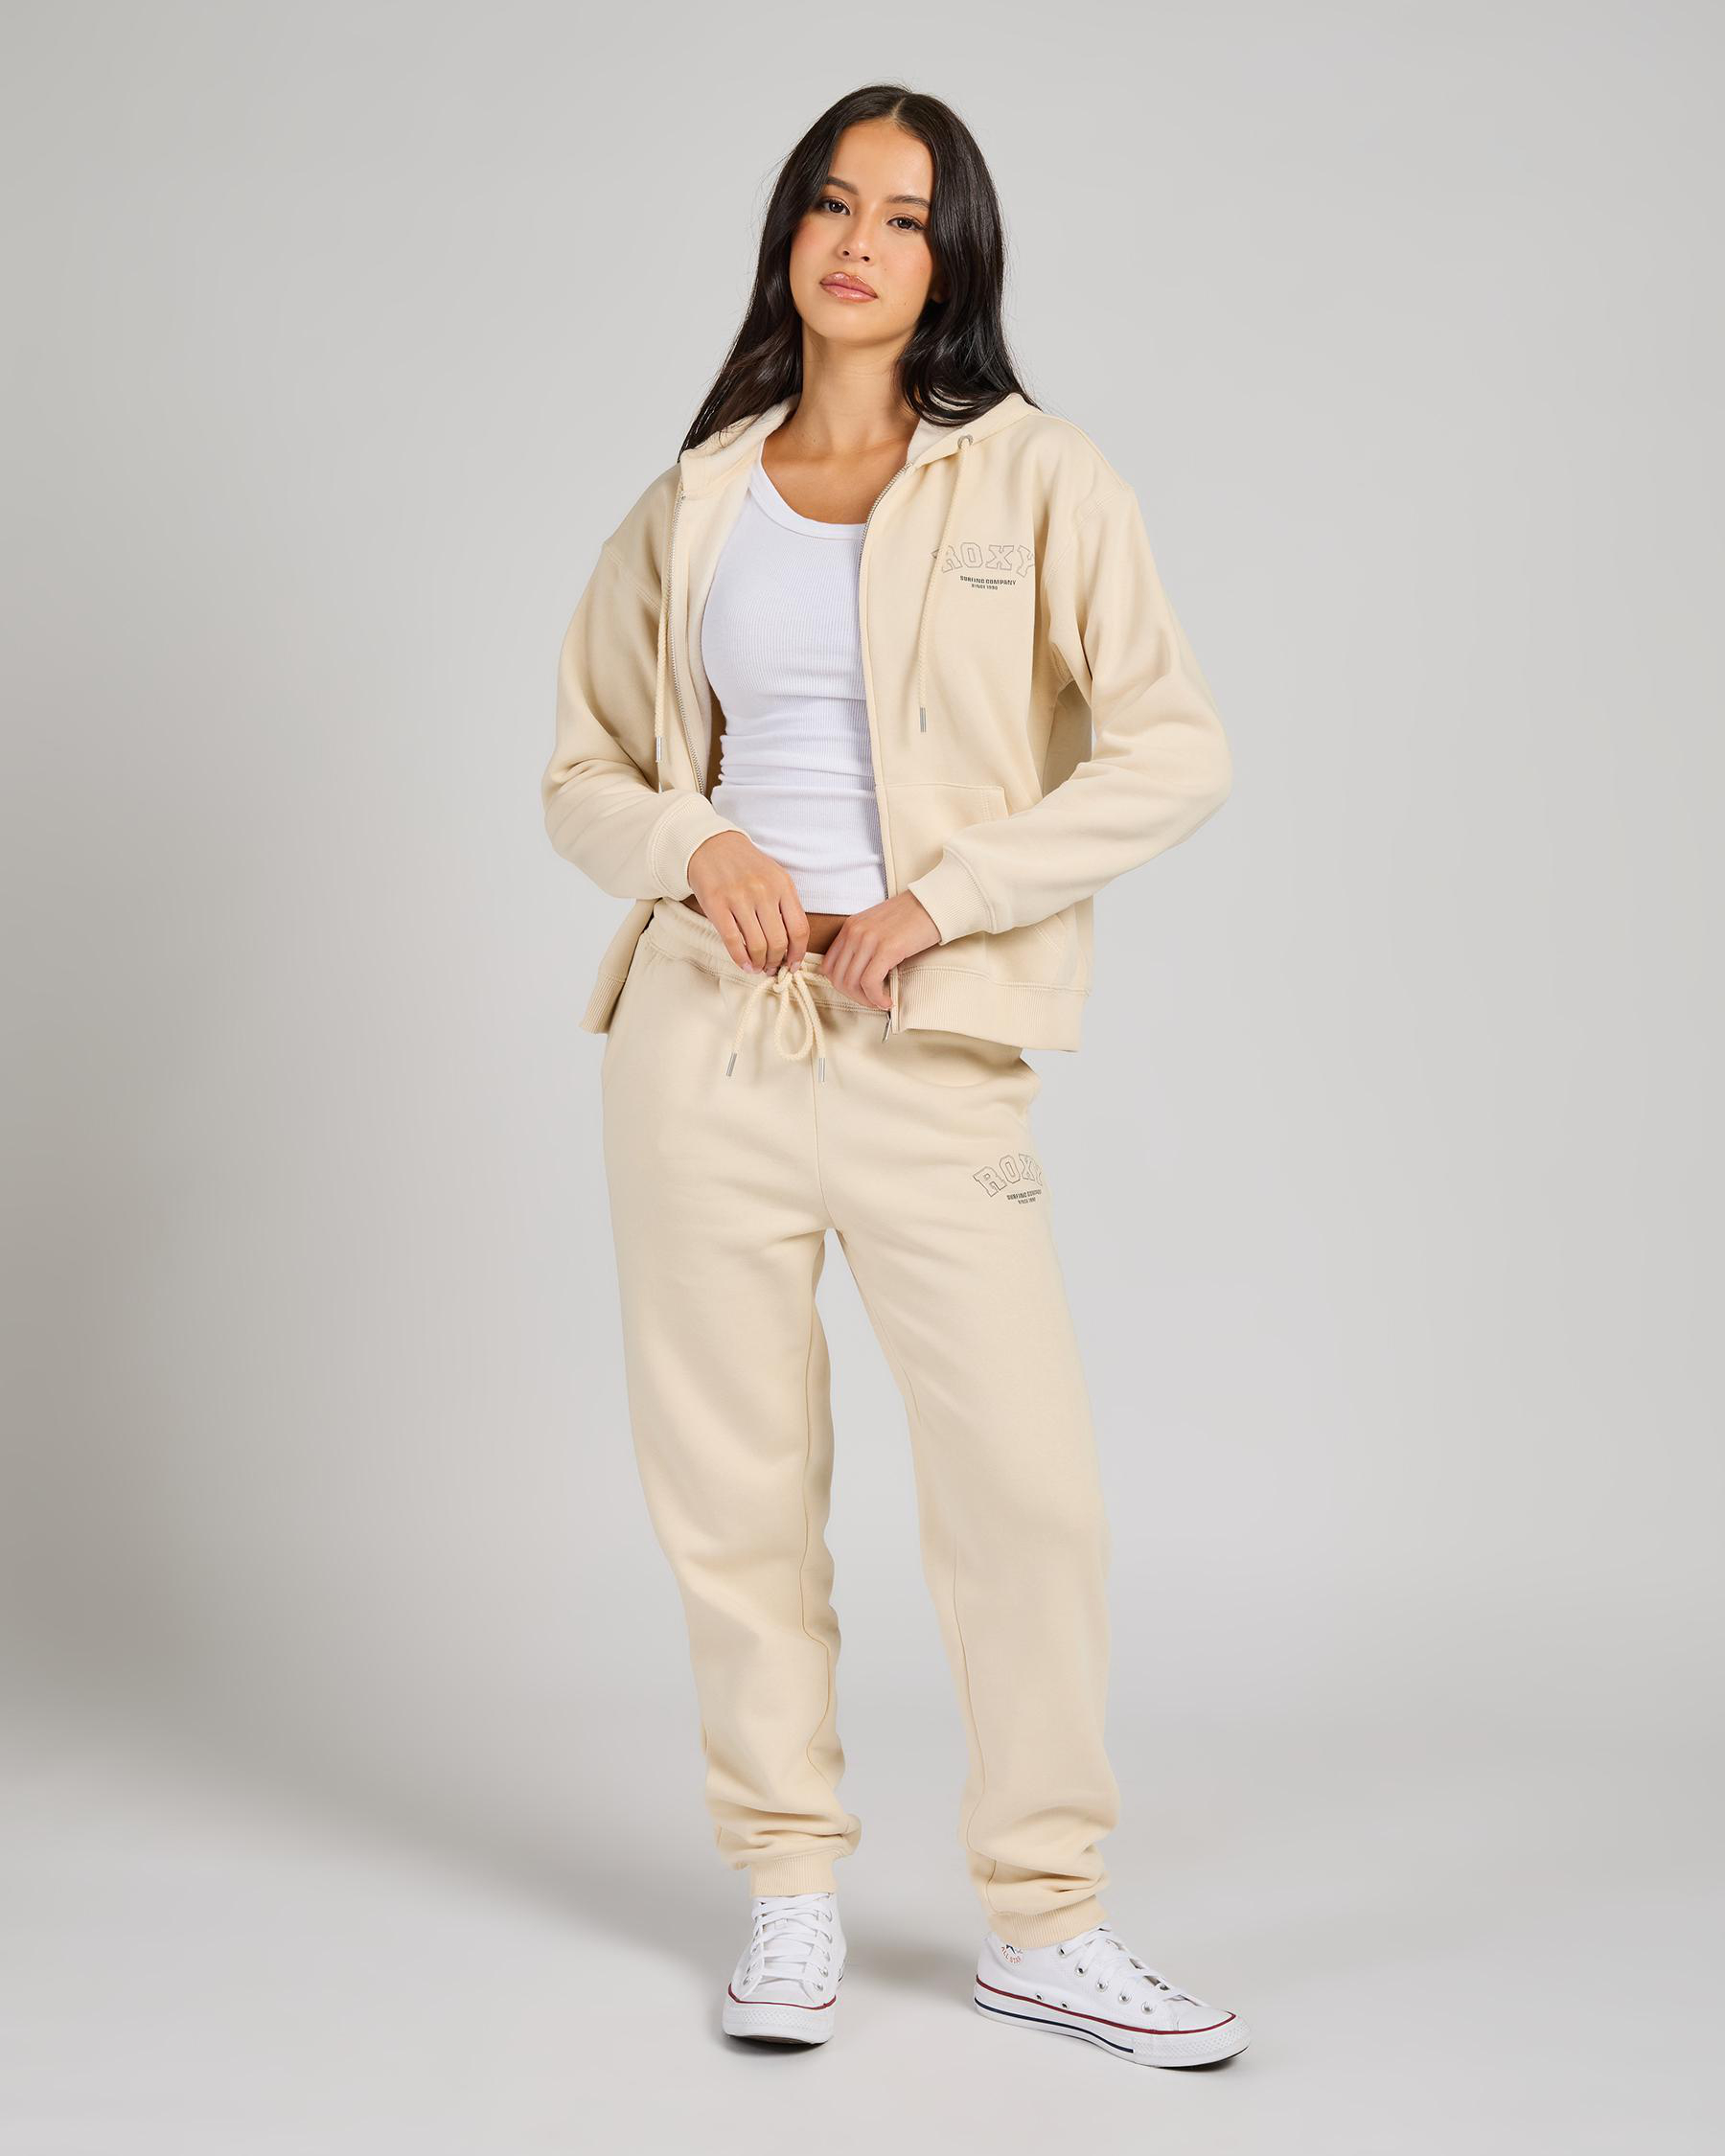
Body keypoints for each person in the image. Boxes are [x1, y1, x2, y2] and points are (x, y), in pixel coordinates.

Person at [540, 83, 1248, 2070]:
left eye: (907, 216)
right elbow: (584, 770)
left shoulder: (1037, 478)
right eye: (833, 204)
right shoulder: (694, 498)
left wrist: (949, 897)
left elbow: (1176, 747)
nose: (861, 242)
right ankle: (789, 1892)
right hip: (705, 1041)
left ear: (955, 258)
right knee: (737, 1492)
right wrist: (701, 844)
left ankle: (1050, 1916)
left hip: (925, 1049)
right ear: (789, 232)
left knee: (1030, 1496)